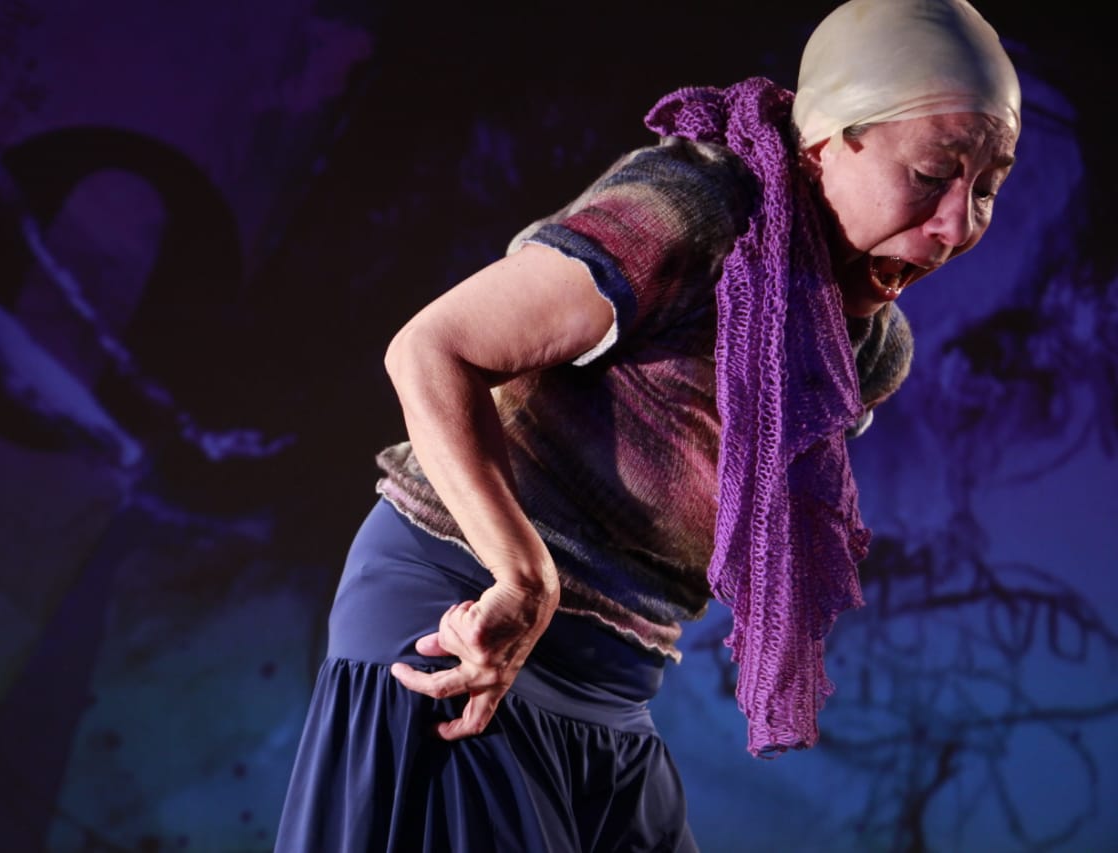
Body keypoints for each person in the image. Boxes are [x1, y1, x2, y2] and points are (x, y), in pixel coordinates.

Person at [276, 0, 1021, 849]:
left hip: (614, 679)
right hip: (463, 620)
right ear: (824, 144)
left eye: (986, 190)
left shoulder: (869, 351)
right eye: (930, 175)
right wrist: (522, 576)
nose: (957, 225)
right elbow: (430, 349)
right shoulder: (699, 212)